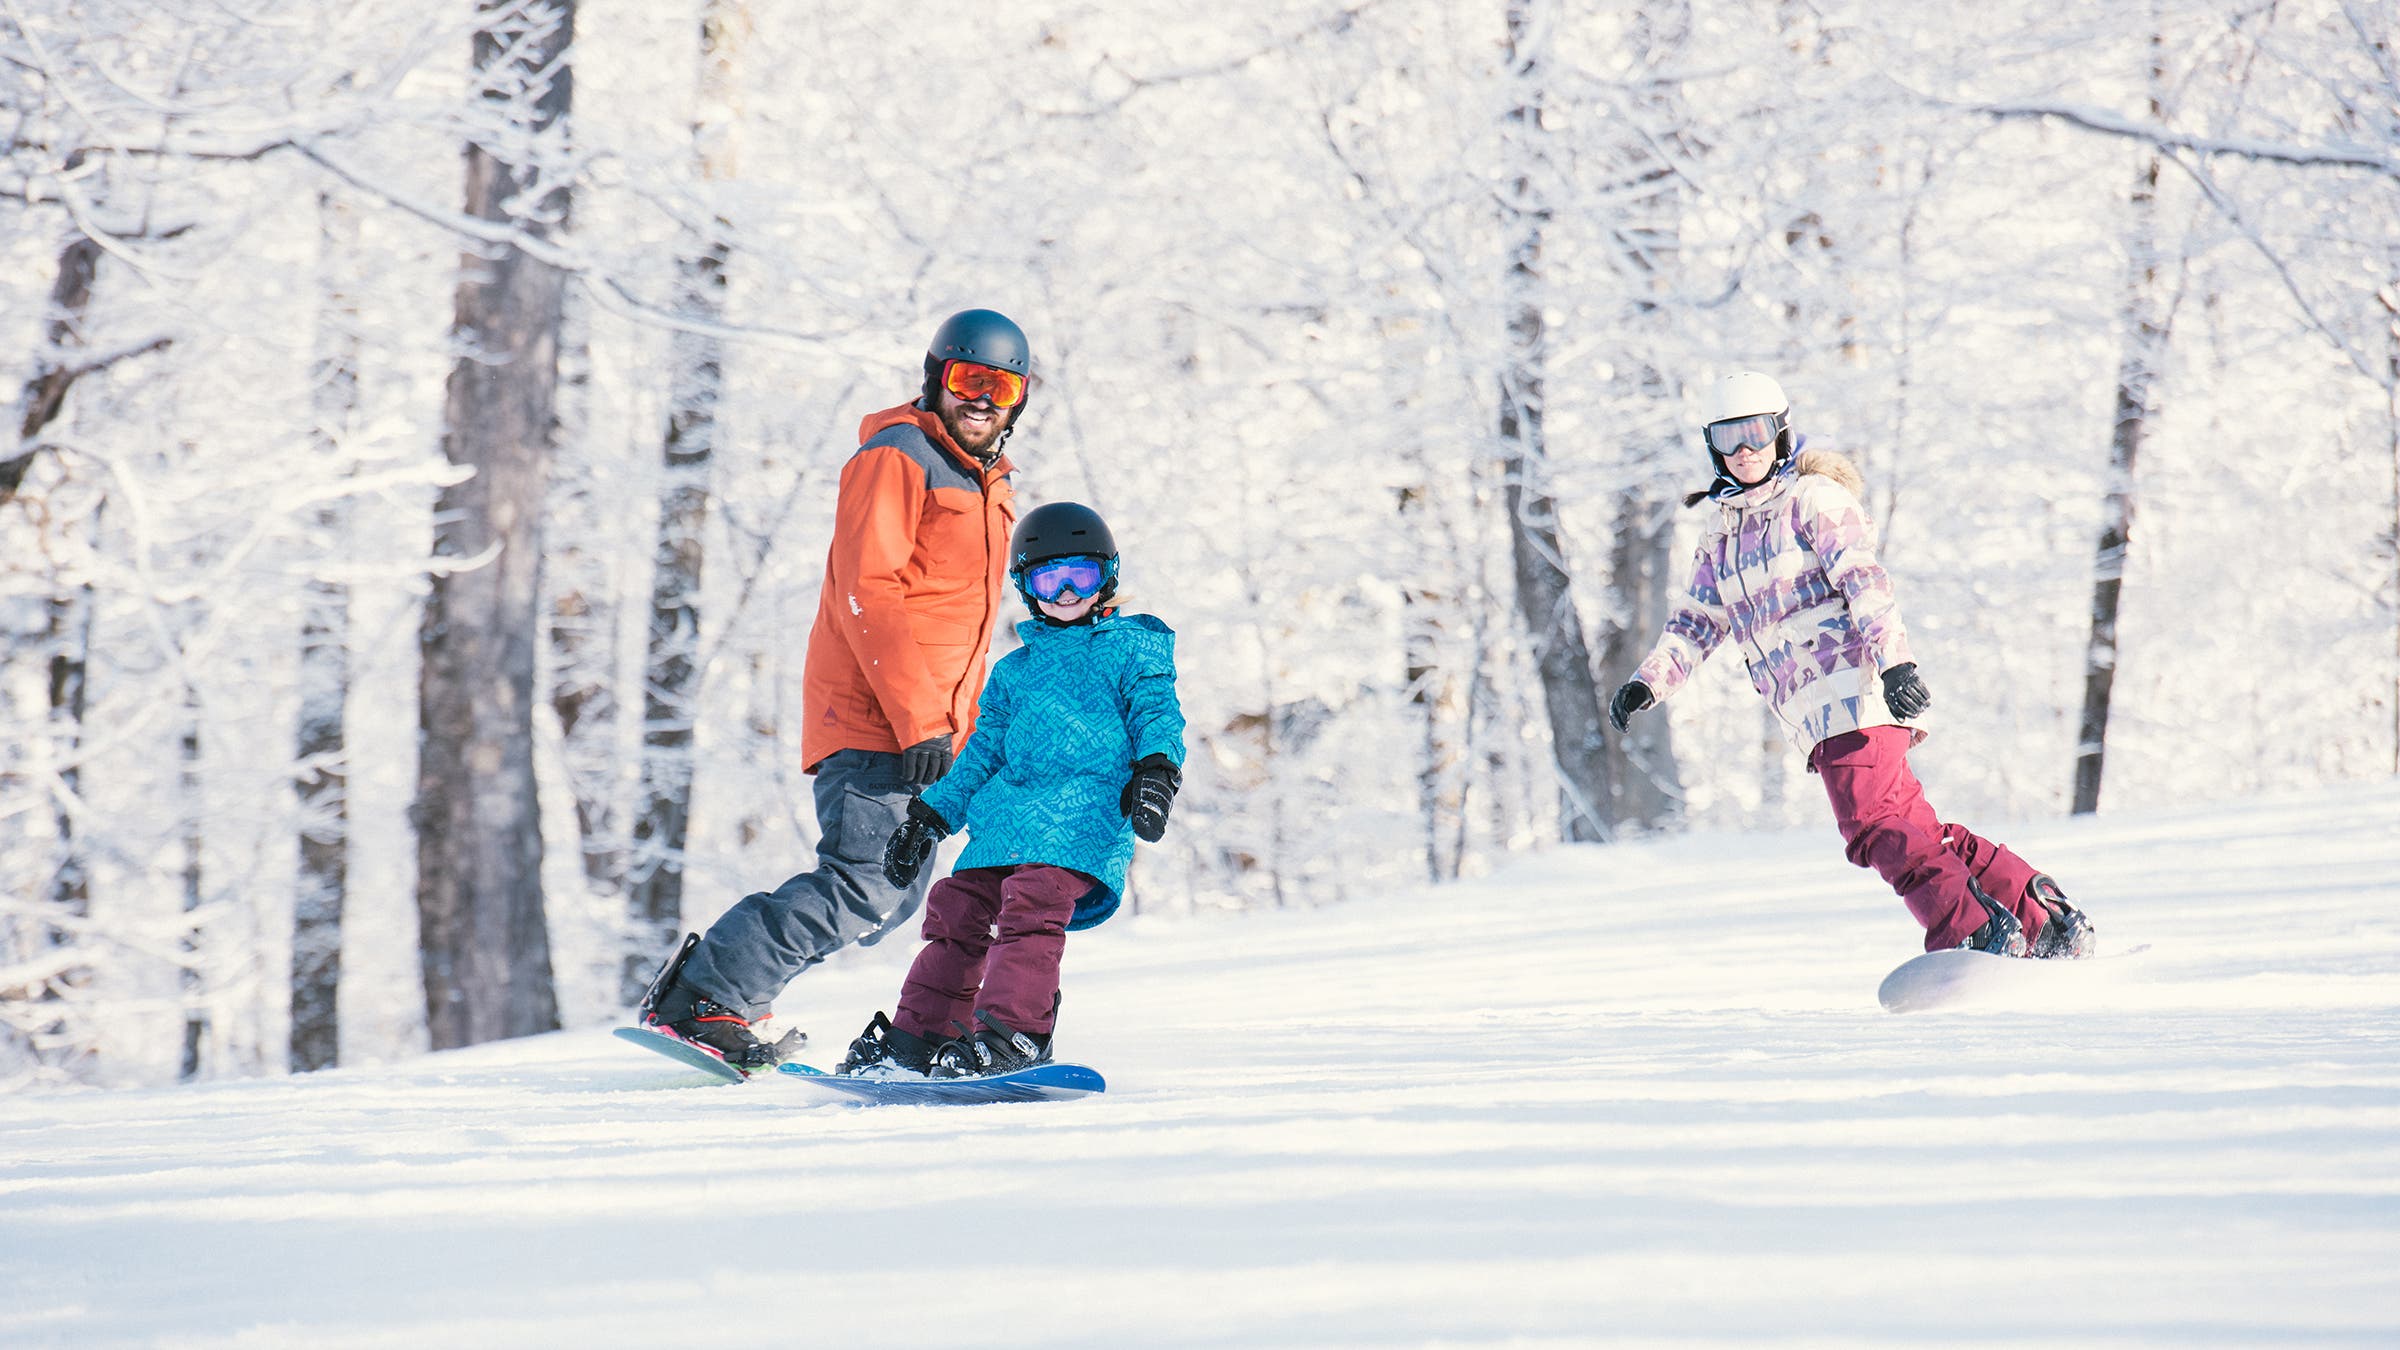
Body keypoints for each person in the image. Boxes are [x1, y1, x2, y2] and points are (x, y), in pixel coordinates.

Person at [634, 309, 1034, 1071]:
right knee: (864, 886)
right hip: (879, 722)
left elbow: (961, 627)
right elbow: (869, 593)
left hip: (934, 732)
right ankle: (706, 996)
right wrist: (919, 721)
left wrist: (976, 736)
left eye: (1001, 386)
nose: (983, 400)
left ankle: (727, 993)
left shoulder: (990, 484)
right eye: (968, 380)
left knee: (892, 897)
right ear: (936, 380)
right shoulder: (899, 456)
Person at [1609, 372, 2095, 959]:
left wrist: (1896, 665)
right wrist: (1647, 682)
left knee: (1874, 827)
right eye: (1728, 437)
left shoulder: (1813, 500)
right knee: (1912, 827)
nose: (1744, 452)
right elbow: (1697, 620)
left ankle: (1969, 931)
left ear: (1781, 431)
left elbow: (1864, 584)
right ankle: (2039, 916)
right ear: (1712, 444)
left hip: (1856, 692)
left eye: (1756, 433)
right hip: (1813, 713)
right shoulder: (1721, 532)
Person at [835, 502, 1186, 1078]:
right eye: (1051, 578)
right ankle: (922, 1036)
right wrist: (930, 816)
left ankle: (1015, 1034)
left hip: (1083, 817)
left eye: (1083, 575)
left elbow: (1157, 713)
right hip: (1007, 822)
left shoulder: (1134, 649)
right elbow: (981, 755)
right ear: (1027, 586)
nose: (1068, 591)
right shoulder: (1014, 672)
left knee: (1033, 901)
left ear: (1109, 577)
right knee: (957, 906)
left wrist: (1156, 770)